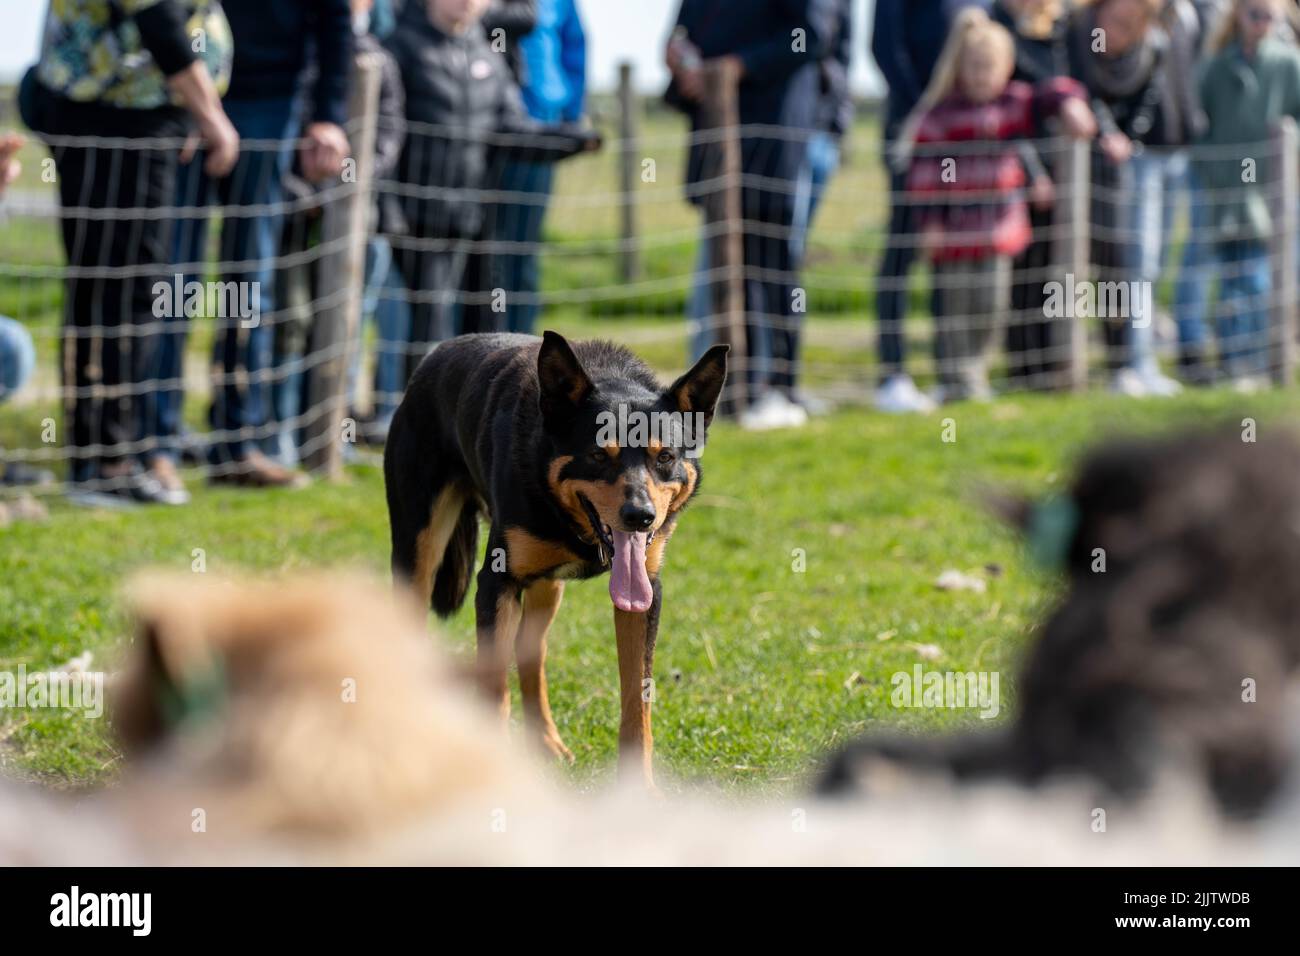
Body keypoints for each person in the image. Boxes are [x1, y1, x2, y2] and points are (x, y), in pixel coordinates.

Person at [33, 0, 238, 507]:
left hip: (139, 115)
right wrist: (210, 116)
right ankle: (106, 465)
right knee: (121, 292)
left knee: (117, 289)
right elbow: (159, 20)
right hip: (116, 118)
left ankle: (106, 460)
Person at [161, 0, 353, 490]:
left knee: (249, 281)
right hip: (185, 86)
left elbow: (334, 18)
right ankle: (157, 441)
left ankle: (237, 443)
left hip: (270, 99)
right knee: (175, 277)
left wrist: (328, 115)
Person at [384, 0, 600, 387]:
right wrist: (385, 208)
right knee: (422, 323)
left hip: (471, 218)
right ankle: (403, 417)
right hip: (412, 216)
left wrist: (570, 140)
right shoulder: (399, 48)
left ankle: (462, 423)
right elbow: (383, 134)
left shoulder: (487, 53)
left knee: (479, 326)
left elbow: (513, 129)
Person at [896, 9, 1091, 401]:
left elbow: (1052, 92)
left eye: (991, 66)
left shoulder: (1012, 107)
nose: (982, 75)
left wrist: (1071, 102)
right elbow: (924, 175)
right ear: (959, 67)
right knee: (953, 308)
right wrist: (930, 220)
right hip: (954, 235)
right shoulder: (942, 116)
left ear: (1008, 68)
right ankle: (954, 379)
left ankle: (976, 373)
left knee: (991, 306)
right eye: (975, 66)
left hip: (998, 231)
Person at [667, 0, 835, 431]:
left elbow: (810, 37)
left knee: (771, 264)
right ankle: (729, 388)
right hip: (715, 126)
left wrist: (740, 66)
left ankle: (775, 386)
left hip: (773, 128)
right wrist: (681, 62)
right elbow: (683, 32)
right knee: (728, 266)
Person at [1067, 0, 1202, 397]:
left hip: (1176, 149)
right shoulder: (1098, 23)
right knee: (1138, 262)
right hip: (1137, 159)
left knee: (1155, 261)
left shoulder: (1180, 16)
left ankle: (1142, 361)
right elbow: (1099, 86)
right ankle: (1133, 362)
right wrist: (1120, 135)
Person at [871, 0, 991, 414]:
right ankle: (893, 374)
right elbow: (884, 48)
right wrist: (927, 108)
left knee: (952, 253)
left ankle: (952, 370)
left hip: (963, 137)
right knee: (901, 253)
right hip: (912, 131)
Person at [1185, 0, 1300, 386]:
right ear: (1238, 15)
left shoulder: (1288, 63)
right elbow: (1198, 124)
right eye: (1255, 14)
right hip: (1226, 191)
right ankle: (1233, 360)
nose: (1262, 23)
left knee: (1259, 277)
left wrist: (1284, 151)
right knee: (1230, 275)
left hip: (1273, 191)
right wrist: (1215, 168)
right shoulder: (1217, 66)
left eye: (1270, 16)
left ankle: (1257, 358)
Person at [485, 0, 589, 335]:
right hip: (482, 132)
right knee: (483, 260)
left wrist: (570, 115)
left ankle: (521, 353)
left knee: (522, 256)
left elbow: (574, 47)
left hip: (538, 132)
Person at [992, 0, 1075, 389]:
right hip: (1018, 168)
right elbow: (1008, 109)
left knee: (1052, 270)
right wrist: (1032, 173)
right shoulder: (998, 25)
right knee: (1022, 273)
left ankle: (1049, 363)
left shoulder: (1062, 30)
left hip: (1062, 165)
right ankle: (1023, 367)